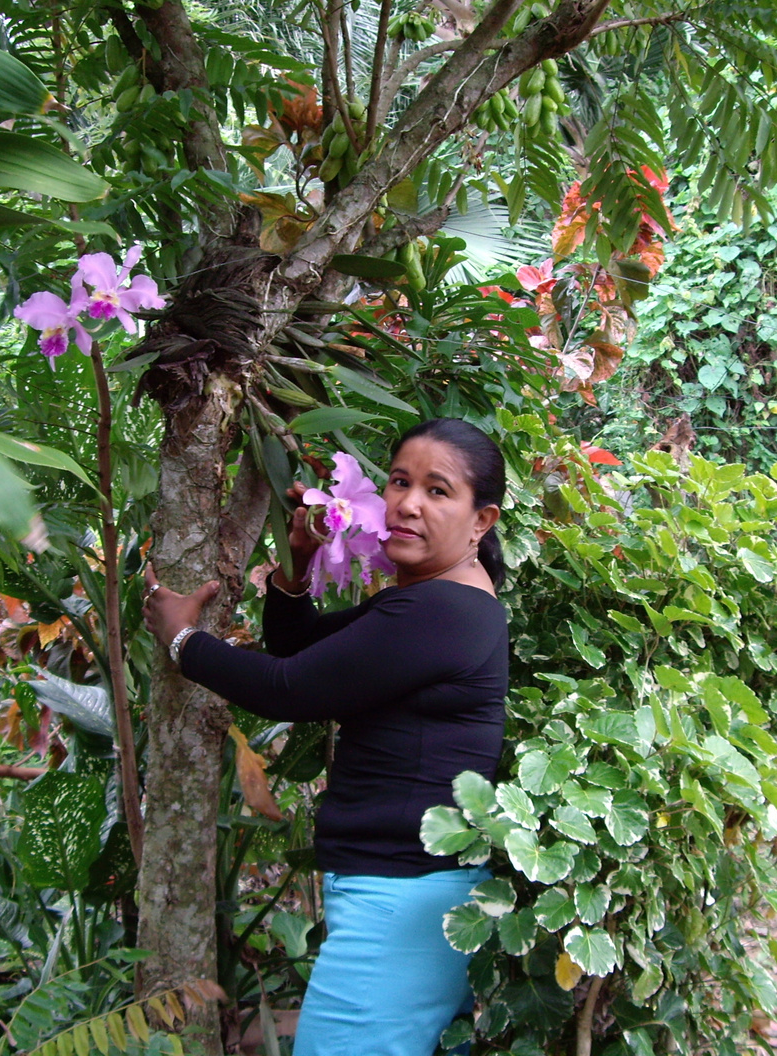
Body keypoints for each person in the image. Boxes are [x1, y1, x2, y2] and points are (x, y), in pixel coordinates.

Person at [141, 418, 511, 1056]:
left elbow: (288, 689)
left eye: (438, 491)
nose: (408, 503)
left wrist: (182, 640)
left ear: (482, 521)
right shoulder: (435, 601)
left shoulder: (443, 611)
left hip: (401, 902)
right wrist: (298, 564)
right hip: (405, 892)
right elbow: (302, 648)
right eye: (399, 482)